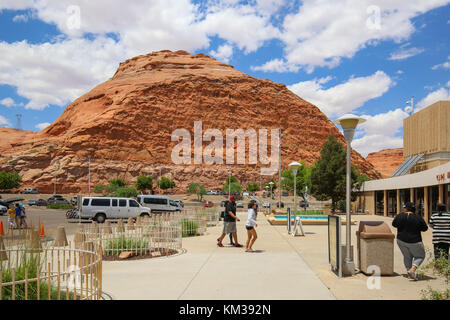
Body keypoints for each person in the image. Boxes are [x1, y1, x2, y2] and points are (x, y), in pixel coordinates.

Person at [392, 202, 428, 280]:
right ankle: (412, 270)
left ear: (406, 208)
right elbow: (425, 228)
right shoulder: (418, 217)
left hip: (401, 240)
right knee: (420, 256)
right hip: (415, 241)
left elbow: (394, 224)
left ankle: (409, 271)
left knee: (407, 256)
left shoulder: (400, 216)